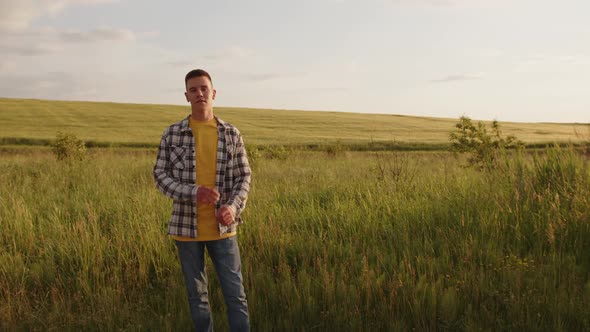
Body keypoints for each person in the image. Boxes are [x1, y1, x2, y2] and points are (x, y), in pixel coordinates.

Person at [153, 69, 251, 331]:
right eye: (193, 90)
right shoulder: (172, 134)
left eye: (203, 88)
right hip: (186, 230)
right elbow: (160, 176)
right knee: (198, 299)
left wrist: (232, 206)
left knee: (236, 297)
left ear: (213, 93)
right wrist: (193, 192)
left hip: (224, 231)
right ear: (186, 96)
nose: (199, 93)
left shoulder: (231, 134)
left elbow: (244, 176)